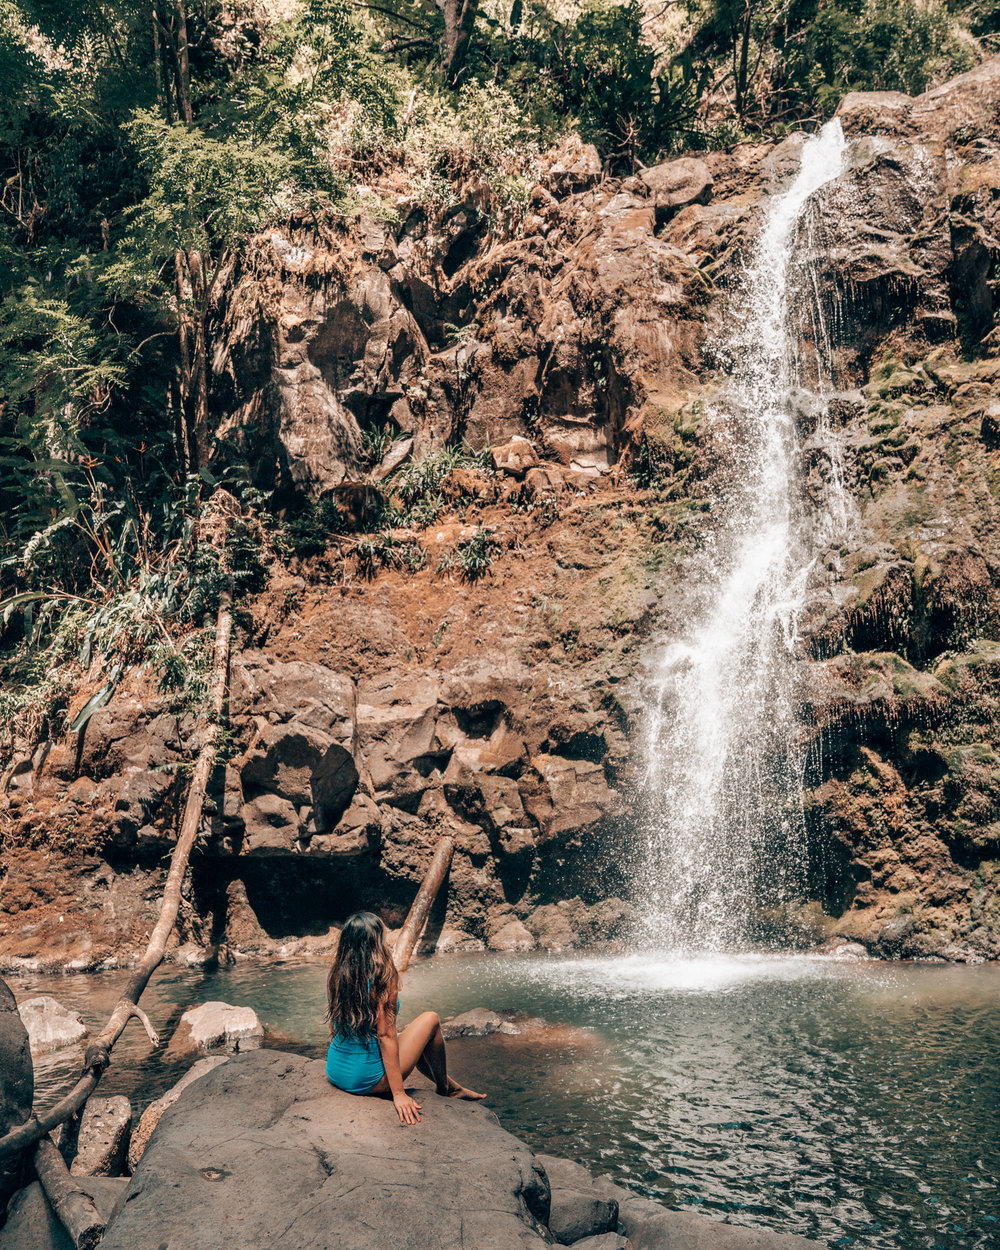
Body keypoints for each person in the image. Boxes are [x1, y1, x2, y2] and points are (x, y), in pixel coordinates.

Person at [325, 911, 486, 1124]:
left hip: (336, 1071)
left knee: (411, 1033)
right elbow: (385, 1036)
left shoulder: (337, 975)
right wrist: (398, 1094)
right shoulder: (382, 977)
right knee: (430, 1020)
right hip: (367, 1080)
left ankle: (452, 1087)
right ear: (376, 942)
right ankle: (445, 1089)